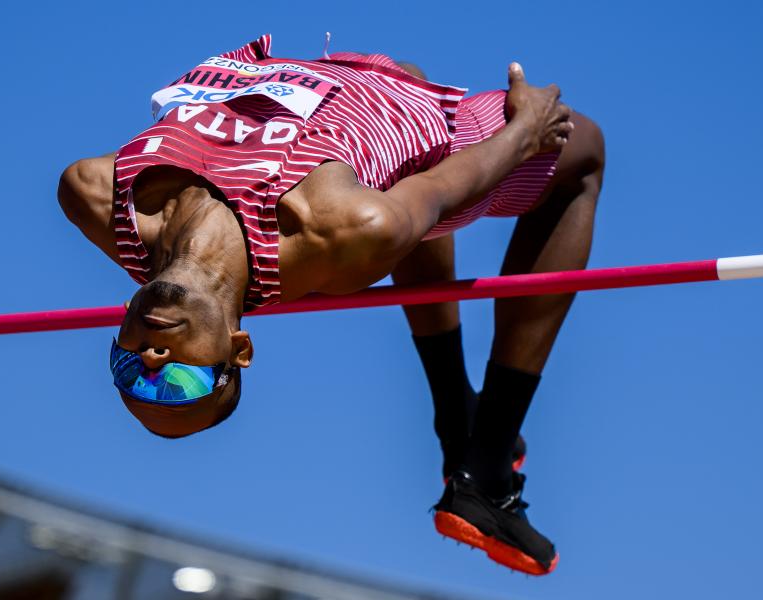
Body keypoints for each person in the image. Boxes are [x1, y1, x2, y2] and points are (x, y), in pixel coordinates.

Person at [58, 35, 604, 576]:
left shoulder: (98, 197)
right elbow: (438, 189)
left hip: (338, 81)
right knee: (581, 150)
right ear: (238, 346)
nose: (153, 361)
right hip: (403, 134)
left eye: (131, 372)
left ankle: (455, 415)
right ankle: (487, 464)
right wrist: (525, 132)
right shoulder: (333, 228)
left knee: (406, 83)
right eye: (180, 384)